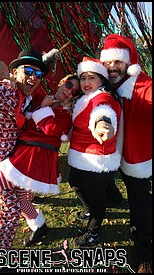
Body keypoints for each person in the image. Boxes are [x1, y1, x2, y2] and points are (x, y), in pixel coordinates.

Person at [0, 74, 80, 263]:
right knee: (20, 199)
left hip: (30, 161)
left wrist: (44, 109)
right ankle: (39, 225)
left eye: (75, 91)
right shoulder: (42, 97)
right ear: (62, 81)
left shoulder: (66, 113)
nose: (69, 91)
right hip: (18, 155)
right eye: (69, 84)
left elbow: (52, 130)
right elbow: (28, 85)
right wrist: (12, 80)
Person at [0, 46, 51, 266]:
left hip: (14, 162)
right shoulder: (2, 90)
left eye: (39, 74)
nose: (33, 78)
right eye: (28, 71)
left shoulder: (30, 99)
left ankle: (39, 225)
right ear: (15, 72)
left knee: (22, 197)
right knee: (11, 206)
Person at [99, 34, 152, 273]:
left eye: (117, 62)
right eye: (108, 62)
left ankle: (145, 255)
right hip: (111, 154)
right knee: (86, 181)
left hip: (137, 157)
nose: (112, 67)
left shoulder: (142, 85)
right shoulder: (104, 83)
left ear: (128, 63)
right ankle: (112, 197)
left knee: (140, 205)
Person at [67, 57, 122, 247]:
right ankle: (92, 207)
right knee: (74, 182)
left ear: (102, 80)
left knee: (97, 199)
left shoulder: (103, 97)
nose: (86, 82)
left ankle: (93, 233)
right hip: (81, 156)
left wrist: (103, 123)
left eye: (91, 77)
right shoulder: (84, 98)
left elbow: (102, 111)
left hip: (97, 159)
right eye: (83, 78)